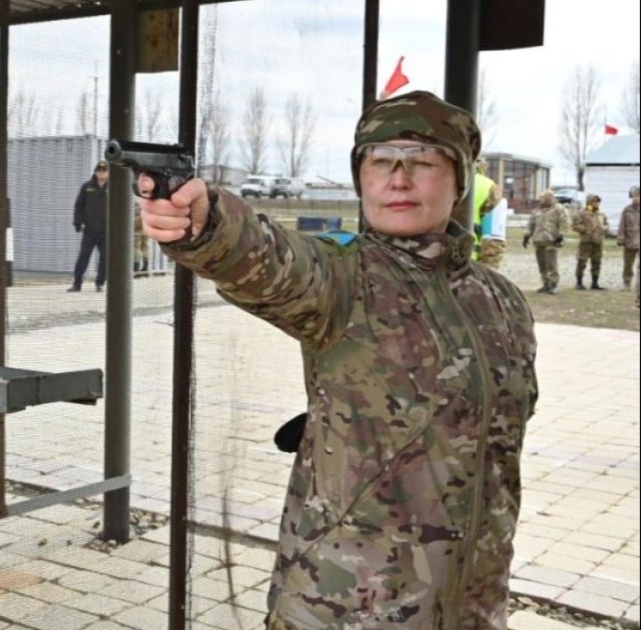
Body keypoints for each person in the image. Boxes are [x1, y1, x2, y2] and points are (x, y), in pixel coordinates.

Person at [138, 91, 537, 628]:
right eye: (379, 162)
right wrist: (205, 221)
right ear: (361, 179)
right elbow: (267, 257)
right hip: (349, 607)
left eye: (422, 162)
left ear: (459, 180)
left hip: (474, 605)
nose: (399, 179)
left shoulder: (501, 300)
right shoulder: (344, 279)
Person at [69, 160, 110, 292]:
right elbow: (79, 205)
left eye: (104, 170)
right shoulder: (87, 187)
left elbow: (119, 208)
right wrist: (77, 221)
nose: (101, 173)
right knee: (83, 256)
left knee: (105, 257)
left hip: (106, 230)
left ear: (108, 172)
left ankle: (100, 283)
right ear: (95, 172)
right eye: (99, 170)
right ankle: (77, 283)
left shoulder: (113, 187)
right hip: (90, 230)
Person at [523, 190, 570, 294]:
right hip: (539, 240)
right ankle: (546, 284)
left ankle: (553, 284)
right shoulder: (537, 210)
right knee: (542, 264)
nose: (540, 200)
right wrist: (526, 236)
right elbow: (531, 223)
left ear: (549, 198)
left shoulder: (559, 209)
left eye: (542, 198)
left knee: (551, 264)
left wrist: (561, 235)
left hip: (551, 240)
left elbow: (565, 222)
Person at [472, 157, 507, 269]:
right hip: (467, 264)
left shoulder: (431, 179)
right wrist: (487, 272)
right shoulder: (488, 186)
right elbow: (493, 235)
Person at [572, 193, 610, 290]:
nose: (596, 203)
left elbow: (607, 224)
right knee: (582, 261)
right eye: (594, 201)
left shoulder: (601, 214)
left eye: (597, 202)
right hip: (586, 241)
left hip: (598, 241)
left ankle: (595, 283)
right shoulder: (582, 213)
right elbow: (574, 226)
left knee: (597, 262)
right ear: (589, 202)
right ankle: (579, 282)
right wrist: (585, 229)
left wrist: (604, 228)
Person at [618, 185, 640, 291]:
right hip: (629, 241)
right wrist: (620, 238)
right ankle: (627, 283)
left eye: (638, 196)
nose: (636, 198)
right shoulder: (627, 210)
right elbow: (622, 225)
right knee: (628, 265)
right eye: (634, 196)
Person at [133, 199, 150, 275]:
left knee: (136, 248)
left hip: (137, 232)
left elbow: (134, 223)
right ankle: (145, 267)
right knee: (145, 248)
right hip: (146, 232)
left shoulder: (137, 211)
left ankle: (136, 267)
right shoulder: (146, 210)